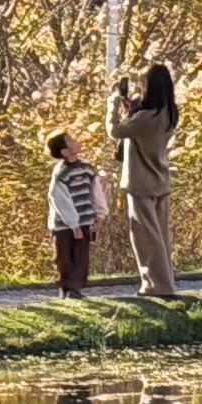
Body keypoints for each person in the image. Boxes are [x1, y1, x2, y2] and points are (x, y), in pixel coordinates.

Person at [112, 61, 178, 296]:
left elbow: (116, 131)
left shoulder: (145, 118)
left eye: (143, 83)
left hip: (140, 183)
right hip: (160, 180)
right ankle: (164, 282)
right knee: (160, 235)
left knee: (145, 236)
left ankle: (156, 285)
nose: (140, 87)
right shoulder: (168, 112)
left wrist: (114, 104)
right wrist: (132, 107)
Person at [45, 132, 106, 295]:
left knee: (81, 255)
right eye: (69, 141)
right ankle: (66, 288)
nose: (75, 142)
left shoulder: (87, 168)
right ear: (64, 151)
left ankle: (77, 288)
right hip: (64, 225)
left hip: (85, 219)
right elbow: (59, 199)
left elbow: (95, 191)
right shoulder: (61, 173)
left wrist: (99, 214)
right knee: (65, 255)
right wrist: (73, 224)